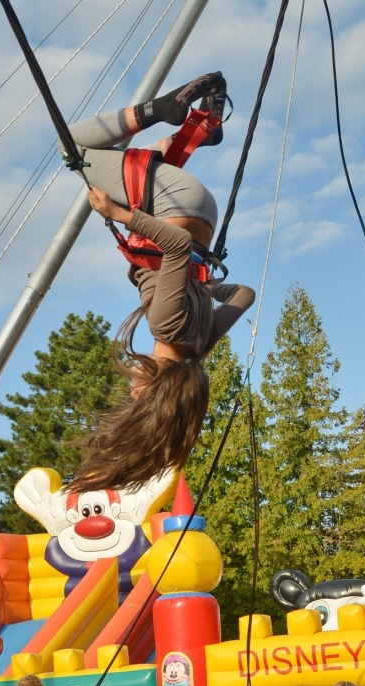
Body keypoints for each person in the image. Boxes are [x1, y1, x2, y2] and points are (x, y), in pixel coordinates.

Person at [65, 75, 255, 491]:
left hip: (200, 211)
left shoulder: (200, 346)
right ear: (155, 390)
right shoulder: (166, 325)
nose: (131, 390)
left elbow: (245, 294)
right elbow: (176, 245)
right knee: (74, 146)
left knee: (114, 160)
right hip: (174, 204)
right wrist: (117, 214)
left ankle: (199, 132)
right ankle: (163, 110)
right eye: (138, 397)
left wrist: (203, 285)